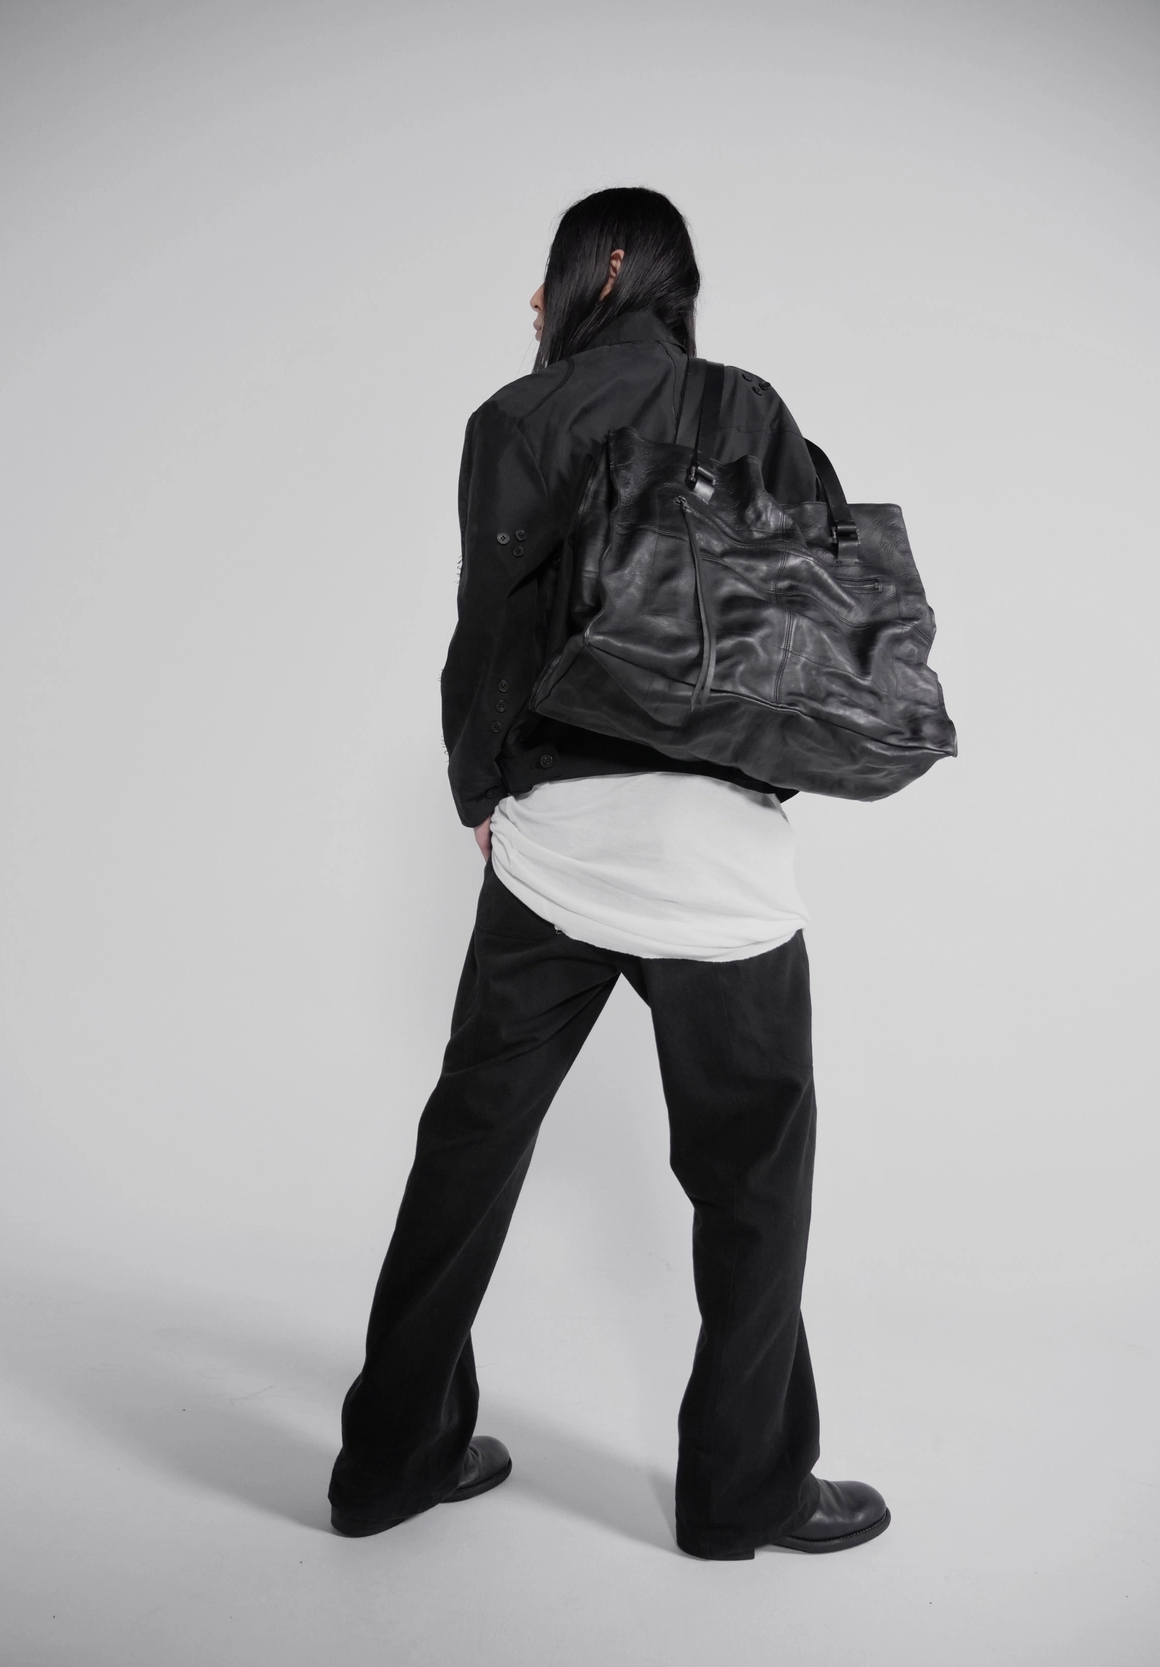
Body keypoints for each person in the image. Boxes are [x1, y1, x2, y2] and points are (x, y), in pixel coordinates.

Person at [328, 187, 890, 1561]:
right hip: (713, 860)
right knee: (751, 1183)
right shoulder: (747, 406)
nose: (535, 298)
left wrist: (481, 790)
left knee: (467, 1147)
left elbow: (484, 634)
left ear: (605, 266)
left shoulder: (508, 422)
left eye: (550, 271)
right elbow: (812, 623)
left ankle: (389, 1462)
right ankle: (743, 1492)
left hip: (557, 845)